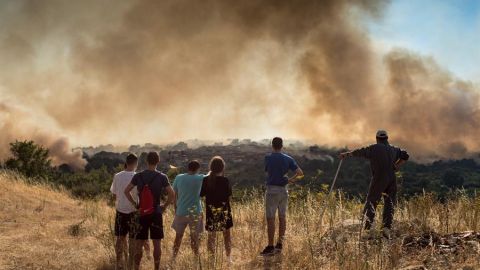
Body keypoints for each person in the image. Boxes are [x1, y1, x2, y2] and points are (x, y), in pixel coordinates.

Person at [340, 130, 409, 238]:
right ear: (387, 138)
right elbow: (406, 155)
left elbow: (360, 151)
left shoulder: (374, 148)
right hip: (392, 178)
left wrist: (347, 154)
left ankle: (367, 229)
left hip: (379, 177)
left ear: (377, 139)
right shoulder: (394, 149)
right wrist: (397, 165)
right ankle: (386, 228)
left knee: (372, 201)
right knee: (389, 202)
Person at [124, 151, 175, 270]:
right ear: (158, 161)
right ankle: (156, 268)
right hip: (156, 212)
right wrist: (164, 206)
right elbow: (172, 194)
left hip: (142, 213)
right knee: (157, 243)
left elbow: (126, 191)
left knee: (139, 243)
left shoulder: (138, 176)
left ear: (146, 161)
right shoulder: (162, 177)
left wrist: (135, 204)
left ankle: (136, 267)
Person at [261, 137, 304, 256]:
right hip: (283, 191)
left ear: (272, 145)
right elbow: (300, 173)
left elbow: (267, 172)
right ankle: (280, 245)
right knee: (282, 218)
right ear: (282, 146)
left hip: (272, 190)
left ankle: (270, 247)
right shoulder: (288, 159)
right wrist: (290, 180)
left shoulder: (268, 157)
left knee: (270, 219)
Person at [200, 156, 233, 263]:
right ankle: (228, 258)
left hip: (211, 211)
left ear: (211, 167)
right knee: (226, 235)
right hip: (224, 211)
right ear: (222, 168)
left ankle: (211, 260)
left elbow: (201, 194)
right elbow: (229, 196)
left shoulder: (206, 180)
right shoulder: (225, 180)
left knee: (211, 236)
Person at [171, 160, 205, 261]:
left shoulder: (179, 177)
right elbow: (211, 175)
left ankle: (173, 258)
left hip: (180, 211)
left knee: (178, 237)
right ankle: (196, 259)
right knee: (194, 238)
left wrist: (175, 207)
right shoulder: (200, 178)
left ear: (188, 168)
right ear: (198, 169)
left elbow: (174, 194)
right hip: (195, 212)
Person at [110, 153, 138, 269]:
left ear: (126, 162)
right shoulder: (137, 176)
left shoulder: (117, 176)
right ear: (136, 163)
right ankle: (130, 263)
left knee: (120, 238)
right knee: (132, 239)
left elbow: (114, 193)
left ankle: (118, 263)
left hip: (120, 211)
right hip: (133, 211)